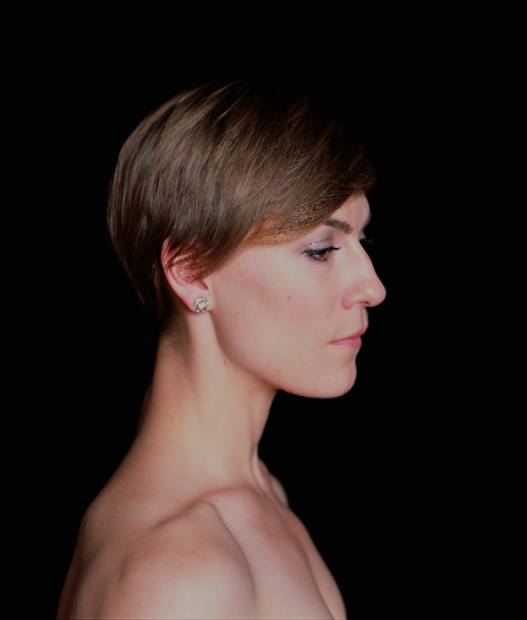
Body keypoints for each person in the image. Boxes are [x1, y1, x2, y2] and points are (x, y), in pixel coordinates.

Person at [57, 79, 387, 619]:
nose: (373, 288)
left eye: (360, 240)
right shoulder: (179, 576)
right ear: (191, 272)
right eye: (321, 250)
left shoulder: (257, 493)